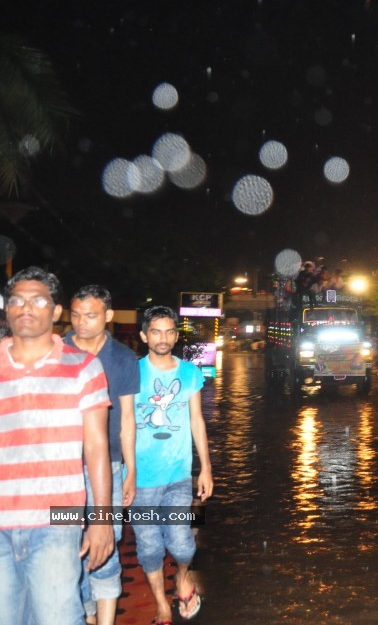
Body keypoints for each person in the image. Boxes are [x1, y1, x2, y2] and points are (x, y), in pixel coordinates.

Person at [0, 267, 114, 625]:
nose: (25, 307)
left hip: (57, 522)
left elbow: (97, 447)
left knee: (57, 618)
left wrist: (102, 520)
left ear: (55, 311)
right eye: (16, 300)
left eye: (37, 300)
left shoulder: (84, 367)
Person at [66, 285, 141, 625]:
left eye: (91, 315)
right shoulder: (57, 352)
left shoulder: (123, 358)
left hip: (107, 467)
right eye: (76, 315)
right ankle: (87, 614)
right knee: (67, 545)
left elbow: (127, 419)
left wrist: (130, 470)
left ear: (108, 316)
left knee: (105, 544)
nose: (82, 322)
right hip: (62, 467)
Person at [133, 306, 213, 623]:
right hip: (139, 478)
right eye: (155, 331)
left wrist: (205, 467)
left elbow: (197, 420)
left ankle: (182, 576)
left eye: (169, 331)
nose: (163, 338)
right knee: (149, 546)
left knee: (181, 542)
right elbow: (124, 423)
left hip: (179, 475)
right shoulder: (132, 372)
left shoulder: (190, 373)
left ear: (176, 336)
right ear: (143, 336)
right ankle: (161, 604)